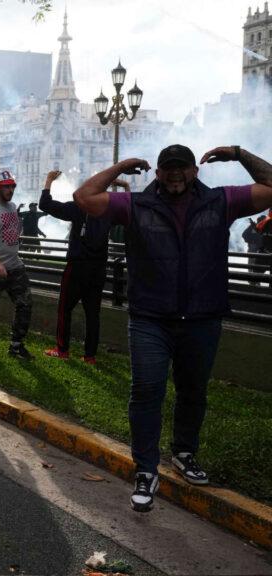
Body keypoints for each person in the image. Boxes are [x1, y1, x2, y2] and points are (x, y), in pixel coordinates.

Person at [72, 143, 272, 512]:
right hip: (151, 317)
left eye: (183, 167)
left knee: (193, 391)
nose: (175, 174)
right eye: (168, 168)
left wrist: (240, 154)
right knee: (147, 391)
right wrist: (123, 165)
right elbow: (84, 196)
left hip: (202, 316)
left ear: (195, 171)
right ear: (158, 173)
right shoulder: (136, 206)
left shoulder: (220, 201)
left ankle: (184, 452)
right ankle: (146, 469)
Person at [39, 170, 116, 365]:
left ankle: (62, 350)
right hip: (99, 268)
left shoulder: (79, 208)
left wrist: (48, 181)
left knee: (65, 308)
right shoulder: (109, 209)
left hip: (78, 267)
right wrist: (123, 187)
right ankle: (89, 356)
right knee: (93, 313)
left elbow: (45, 204)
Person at [0, 170, 33, 360]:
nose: (10, 190)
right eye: (6, 187)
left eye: (12, 186)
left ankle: (17, 346)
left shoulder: (12, 207)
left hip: (14, 266)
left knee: (25, 303)